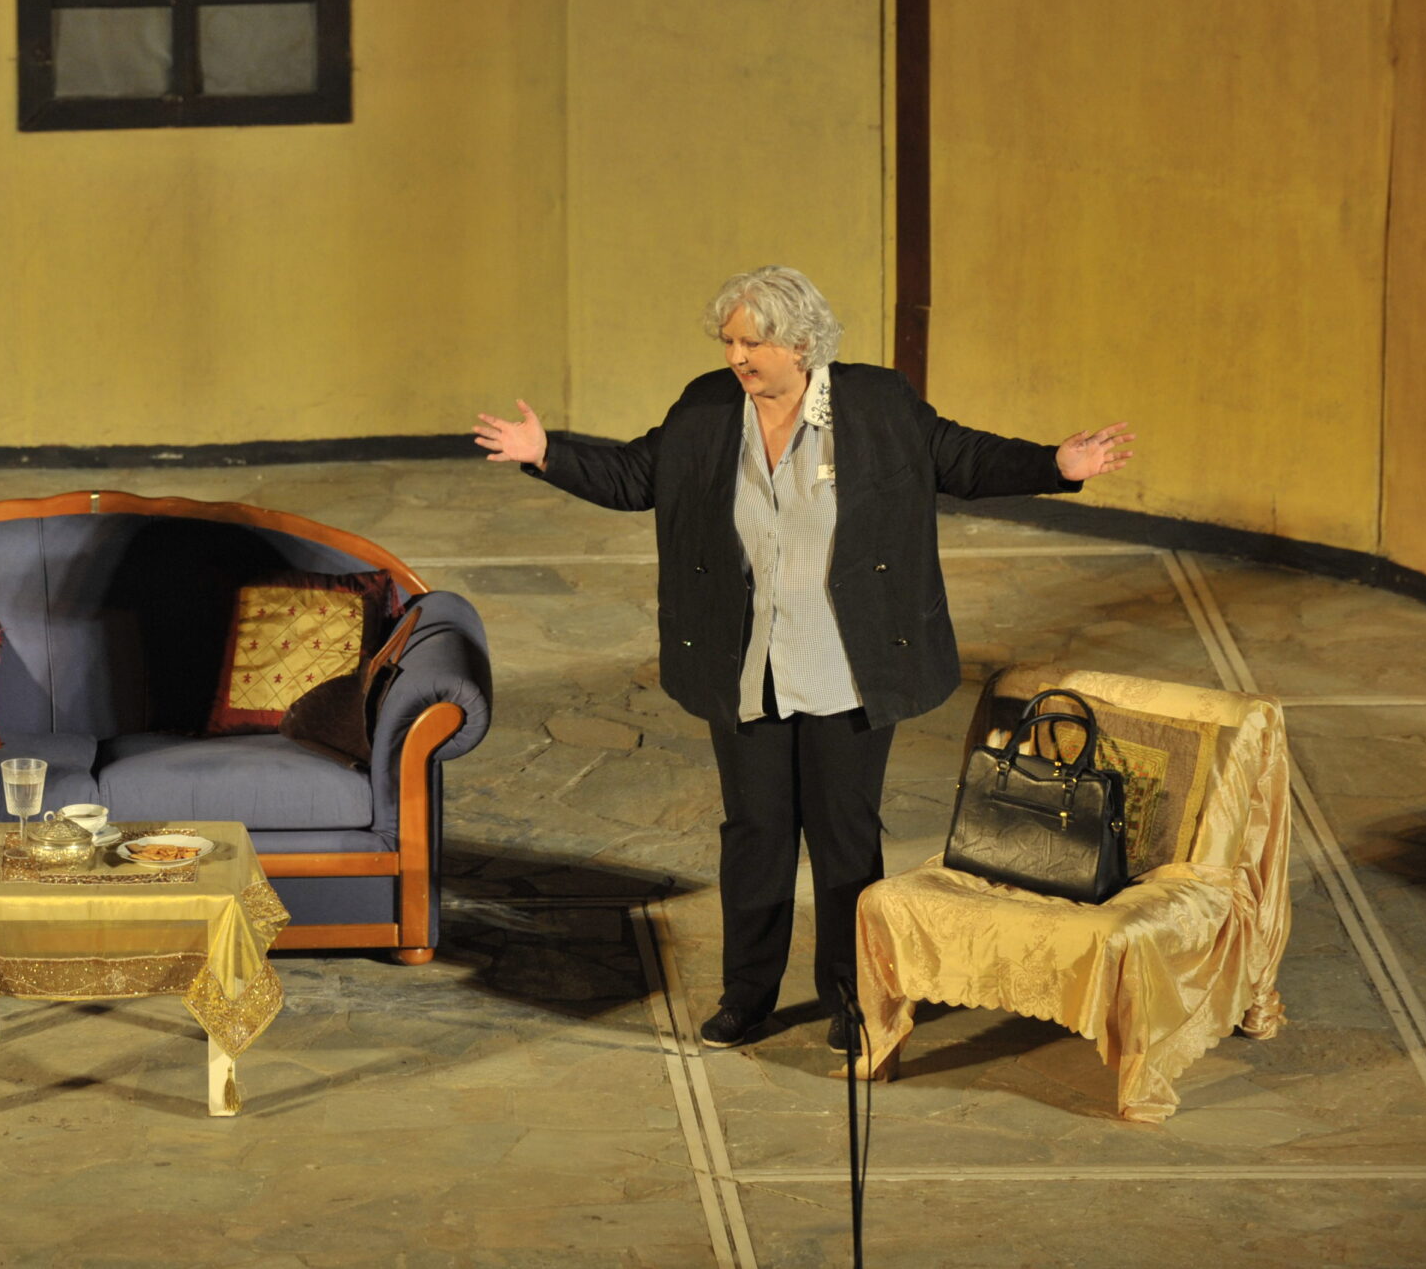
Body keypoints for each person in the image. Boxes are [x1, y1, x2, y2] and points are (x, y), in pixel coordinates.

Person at [473, 266, 1132, 1051]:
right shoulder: (707, 409)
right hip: (748, 663)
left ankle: (850, 995)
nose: (737, 357)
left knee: (844, 835)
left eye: (753, 342)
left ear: (802, 344)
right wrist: (547, 453)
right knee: (755, 834)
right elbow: (636, 475)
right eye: (729, 341)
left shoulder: (877, 404)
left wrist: (1055, 465)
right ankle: (747, 996)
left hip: (845, 665)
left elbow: (962, 459)